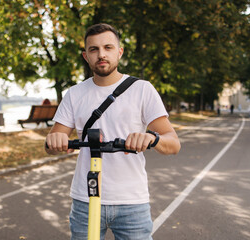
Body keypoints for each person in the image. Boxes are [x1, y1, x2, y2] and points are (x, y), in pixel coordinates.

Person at [45, 23, 181, 240]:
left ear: (119, 52)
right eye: (93, 49)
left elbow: (173, 144)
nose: (101, 55)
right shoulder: (74, 94)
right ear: (85, 56)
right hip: (85, 200)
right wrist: (56, 140)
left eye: (108, 47)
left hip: (132, 202)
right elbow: (51, 145)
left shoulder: (142, 89)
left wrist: (151, 138)